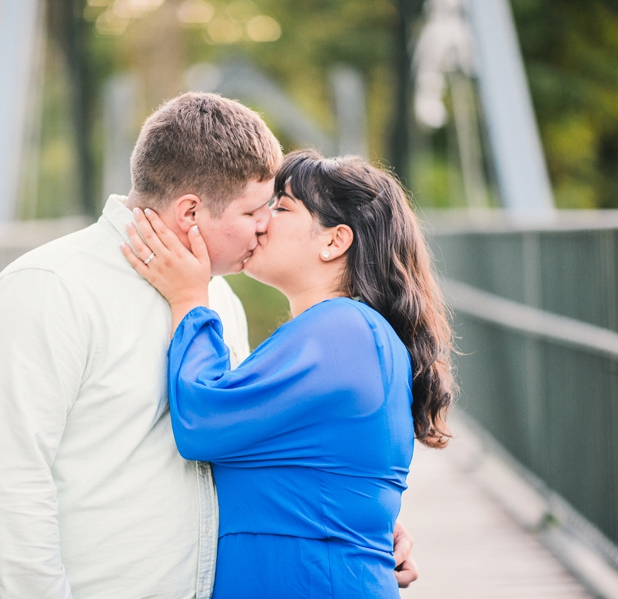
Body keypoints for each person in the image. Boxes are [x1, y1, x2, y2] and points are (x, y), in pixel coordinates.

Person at [0, 93, 418, 598]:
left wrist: (359, 517)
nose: (265, 224)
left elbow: (241, 438)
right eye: (255, 210)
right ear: (191, 211)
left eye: (275, 208)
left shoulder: (216, 299)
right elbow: (6, 486)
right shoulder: (49, 287)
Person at [122, 149, 453, 597]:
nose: (261, 220)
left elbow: (203, 422)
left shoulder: (342, 329)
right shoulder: (343, 333)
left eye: (281, 206)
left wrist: (188, 300)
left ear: (334, 241)